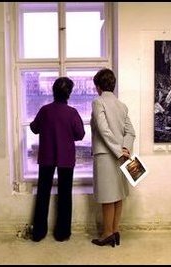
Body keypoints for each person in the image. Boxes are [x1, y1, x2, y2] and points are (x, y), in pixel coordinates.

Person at [30, 77, 85, 242]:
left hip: (46, 156)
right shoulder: (73, 113)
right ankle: (62, 233)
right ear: (69, 94)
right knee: (65, 194)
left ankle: (39, 233)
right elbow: (80, 135)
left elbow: (34, 128)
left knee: (43, 193)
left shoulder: (45, 110)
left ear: (53, 92)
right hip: (66, 157)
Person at [90, 68, 136, 247]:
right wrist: (124, 149)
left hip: (106, 156)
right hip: (121, 156)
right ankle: (115, 230)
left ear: (99, 86)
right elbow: (130, 131)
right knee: (118, 195)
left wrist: (117, 150)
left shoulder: (98, 102)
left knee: (108, 196)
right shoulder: (121, 105)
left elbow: (103, 129)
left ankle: (107, 233)